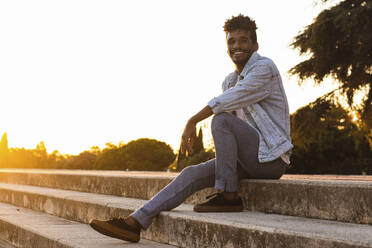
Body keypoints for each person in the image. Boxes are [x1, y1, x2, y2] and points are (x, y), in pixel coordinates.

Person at [89, 14, 293, 243]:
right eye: (231, 41)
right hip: (246, 160)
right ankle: (134, 223)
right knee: (191, 173)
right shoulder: (229, 80)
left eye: (243, 41)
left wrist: (192, 121)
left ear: (255, 45)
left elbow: (227, 103)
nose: (237, 46)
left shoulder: (265, 68)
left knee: (221, 119)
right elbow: (234, 130)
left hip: (271, 161)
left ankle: (229, 197)